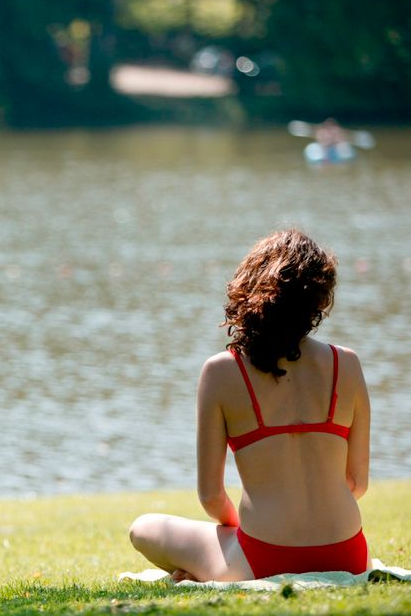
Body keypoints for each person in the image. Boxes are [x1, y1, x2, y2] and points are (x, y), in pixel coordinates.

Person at [129, 229, 371, 581]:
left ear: (250, 288)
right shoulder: (347, 364)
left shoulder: (221, 371)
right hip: (347, 553)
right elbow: (356, 482)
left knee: (143, 527)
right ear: (318, 298)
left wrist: (248, 527)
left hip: (264, 558)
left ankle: (211, 566)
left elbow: (212, 497)